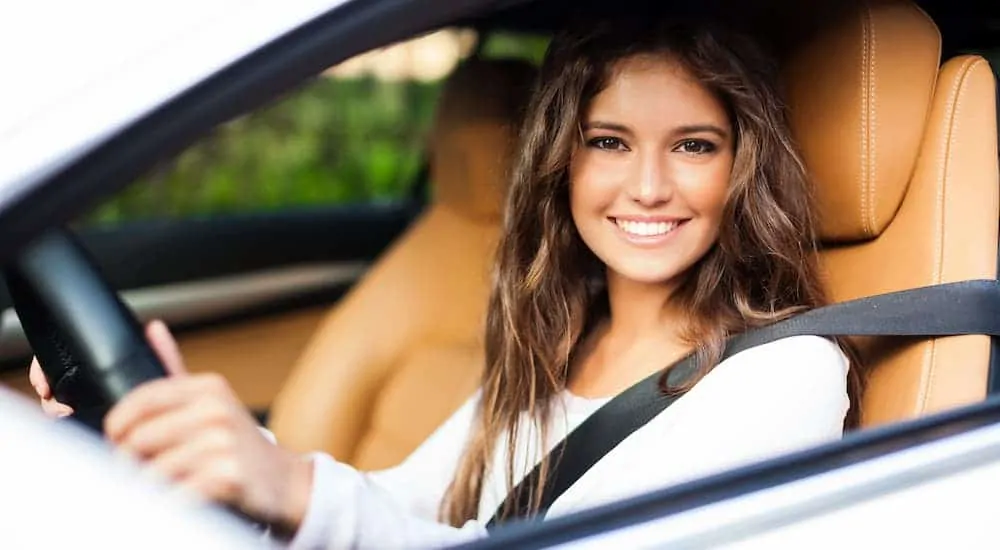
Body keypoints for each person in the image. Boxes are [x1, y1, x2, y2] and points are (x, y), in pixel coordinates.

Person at [29, 13, 856, 549]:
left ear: (744, 170)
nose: (645, 187)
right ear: (562, 164)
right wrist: (211, 451)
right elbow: (409, 502)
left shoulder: (784, 374)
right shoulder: (562, 340)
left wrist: (288, 486)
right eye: (608, 141)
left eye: (693, 146)